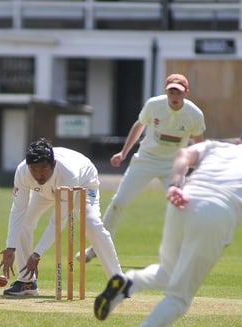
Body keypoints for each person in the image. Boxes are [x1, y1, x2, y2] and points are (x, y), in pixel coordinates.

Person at [94, 123, 242, 327]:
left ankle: (127, 283)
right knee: (179, 297)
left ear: (239, 142)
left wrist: (175, 184)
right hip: (217, 214)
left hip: (183, 200)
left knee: (169, 272)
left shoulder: (218, 147)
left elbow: (183, 155)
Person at [79, 73, 206, 263]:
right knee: (119, 201)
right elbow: (139, 126)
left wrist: (199, 169)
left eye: (178, 92)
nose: (174, 96)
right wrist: (123, 153)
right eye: (171, 91)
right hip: (146, 159)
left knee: (179, 207)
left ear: (186, 93)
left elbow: (199, 145)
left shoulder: (194, 114)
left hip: (173, 164)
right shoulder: (154, 105)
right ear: (166, 91)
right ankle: (97, 248)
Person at [0, 138, 122, 297]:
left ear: (53, 165)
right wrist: (10, 247)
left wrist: (37, 254)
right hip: (45, 191)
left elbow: (58, 221)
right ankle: (27, 282)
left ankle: (118, 282)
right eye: (34, 169)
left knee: (91, 225)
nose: (38, 174)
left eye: (43, 169)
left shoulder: (68, 174)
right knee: (24, 223)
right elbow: (18, 210)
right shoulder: (22, 172)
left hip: (82, 184)